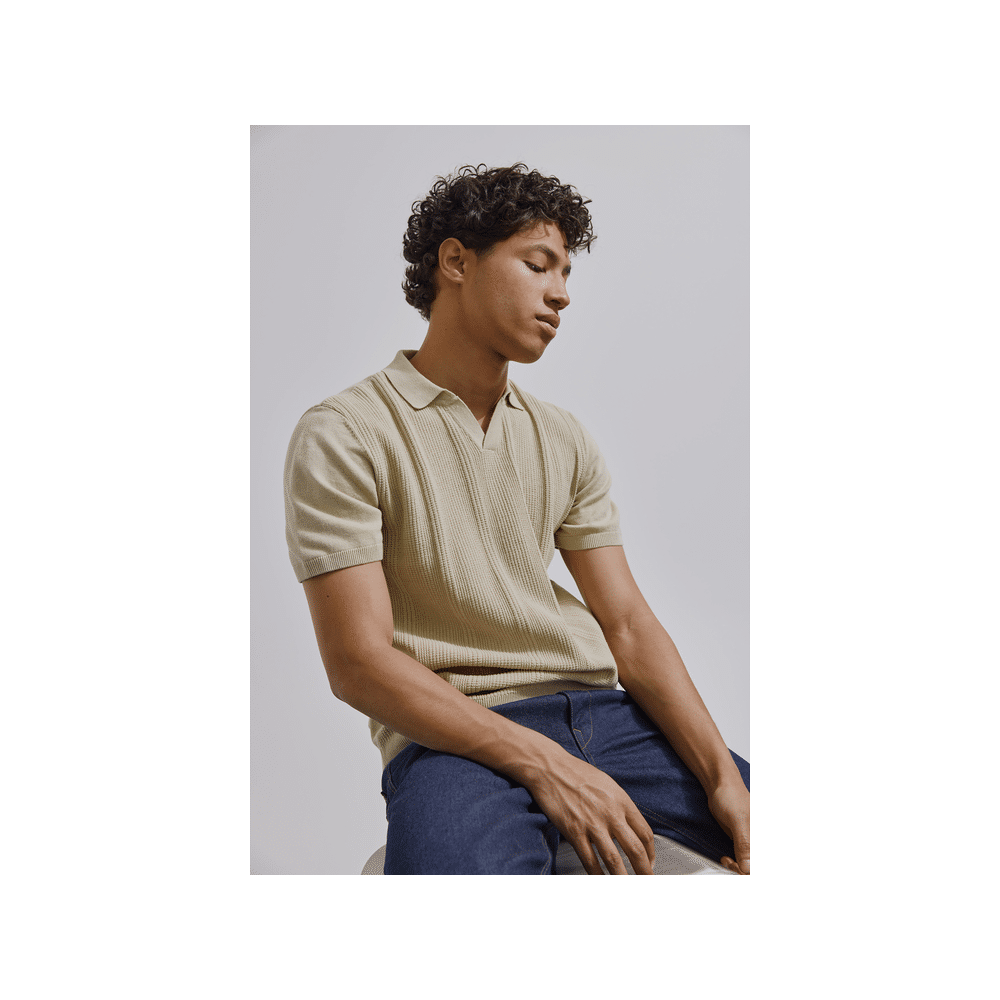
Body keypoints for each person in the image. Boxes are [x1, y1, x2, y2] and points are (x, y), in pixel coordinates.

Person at [284, 163, 750, 874]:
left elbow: (627, 623)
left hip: (607, 719)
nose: (561, 293)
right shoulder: (346, 432)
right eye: (538, 265)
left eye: (565, 273)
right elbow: (359, 663)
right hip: (451, 737)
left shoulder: (562, 437)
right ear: (456, 262)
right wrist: (547, 765)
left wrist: (722, 781)